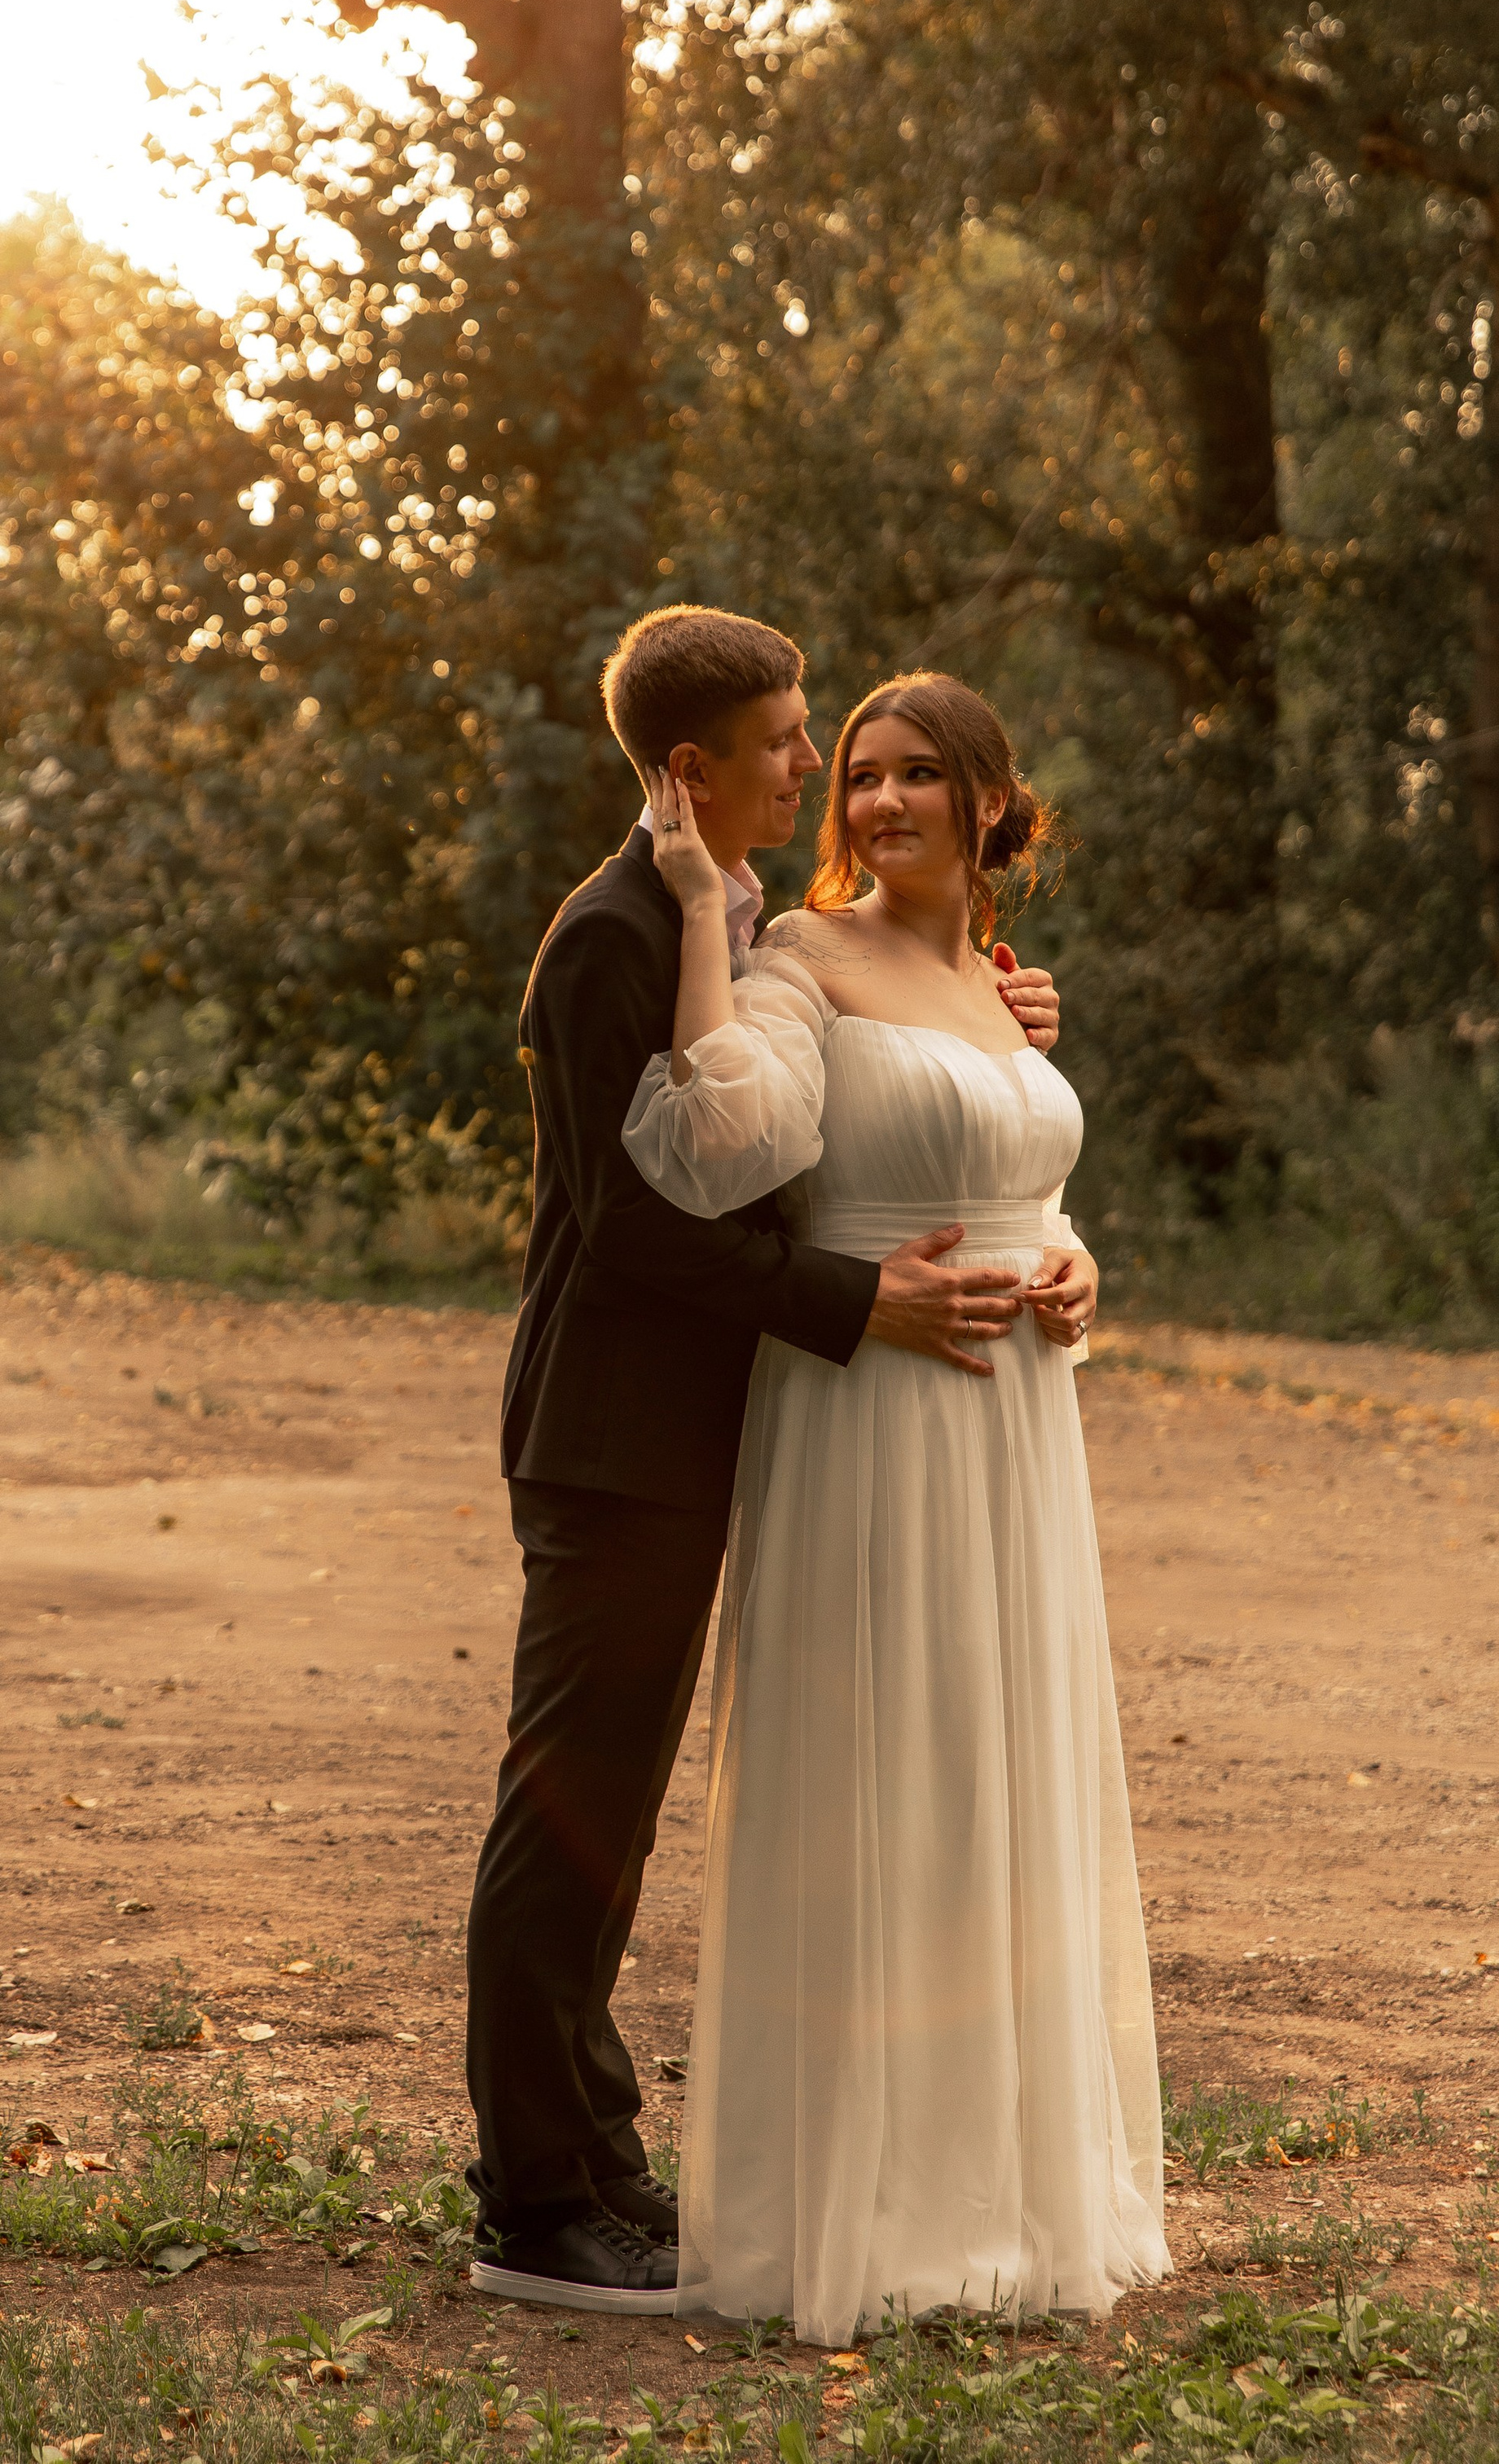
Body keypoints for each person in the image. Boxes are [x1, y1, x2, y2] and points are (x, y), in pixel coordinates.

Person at [464, 609, 1062, 2313]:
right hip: (613, 1438)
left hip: (708, 1428)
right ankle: (529, 2202)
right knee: (566, 1819)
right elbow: (630, 1226)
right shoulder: (602, 934)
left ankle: (592, 2160)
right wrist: (849, 1300)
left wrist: (983, 1027)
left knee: (616, 1822)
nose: (811, 770)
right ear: (689, 768)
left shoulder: (720, 908)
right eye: (794, 741)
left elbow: (802, 1100)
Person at [625, 670, 1167, 2336]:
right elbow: (712, 1141)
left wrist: (1071, 1271)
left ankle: (1000, 2187)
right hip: (869, 1415)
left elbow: (1032, 1191)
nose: (873, 804)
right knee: (885, 1773)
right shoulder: (800, 960)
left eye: (915, 775)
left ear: (986, 801)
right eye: (855, 774)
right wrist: (700, 915)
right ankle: (863, 2200)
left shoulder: (1004, 989)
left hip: (1011, 1432)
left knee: (998, 1778)